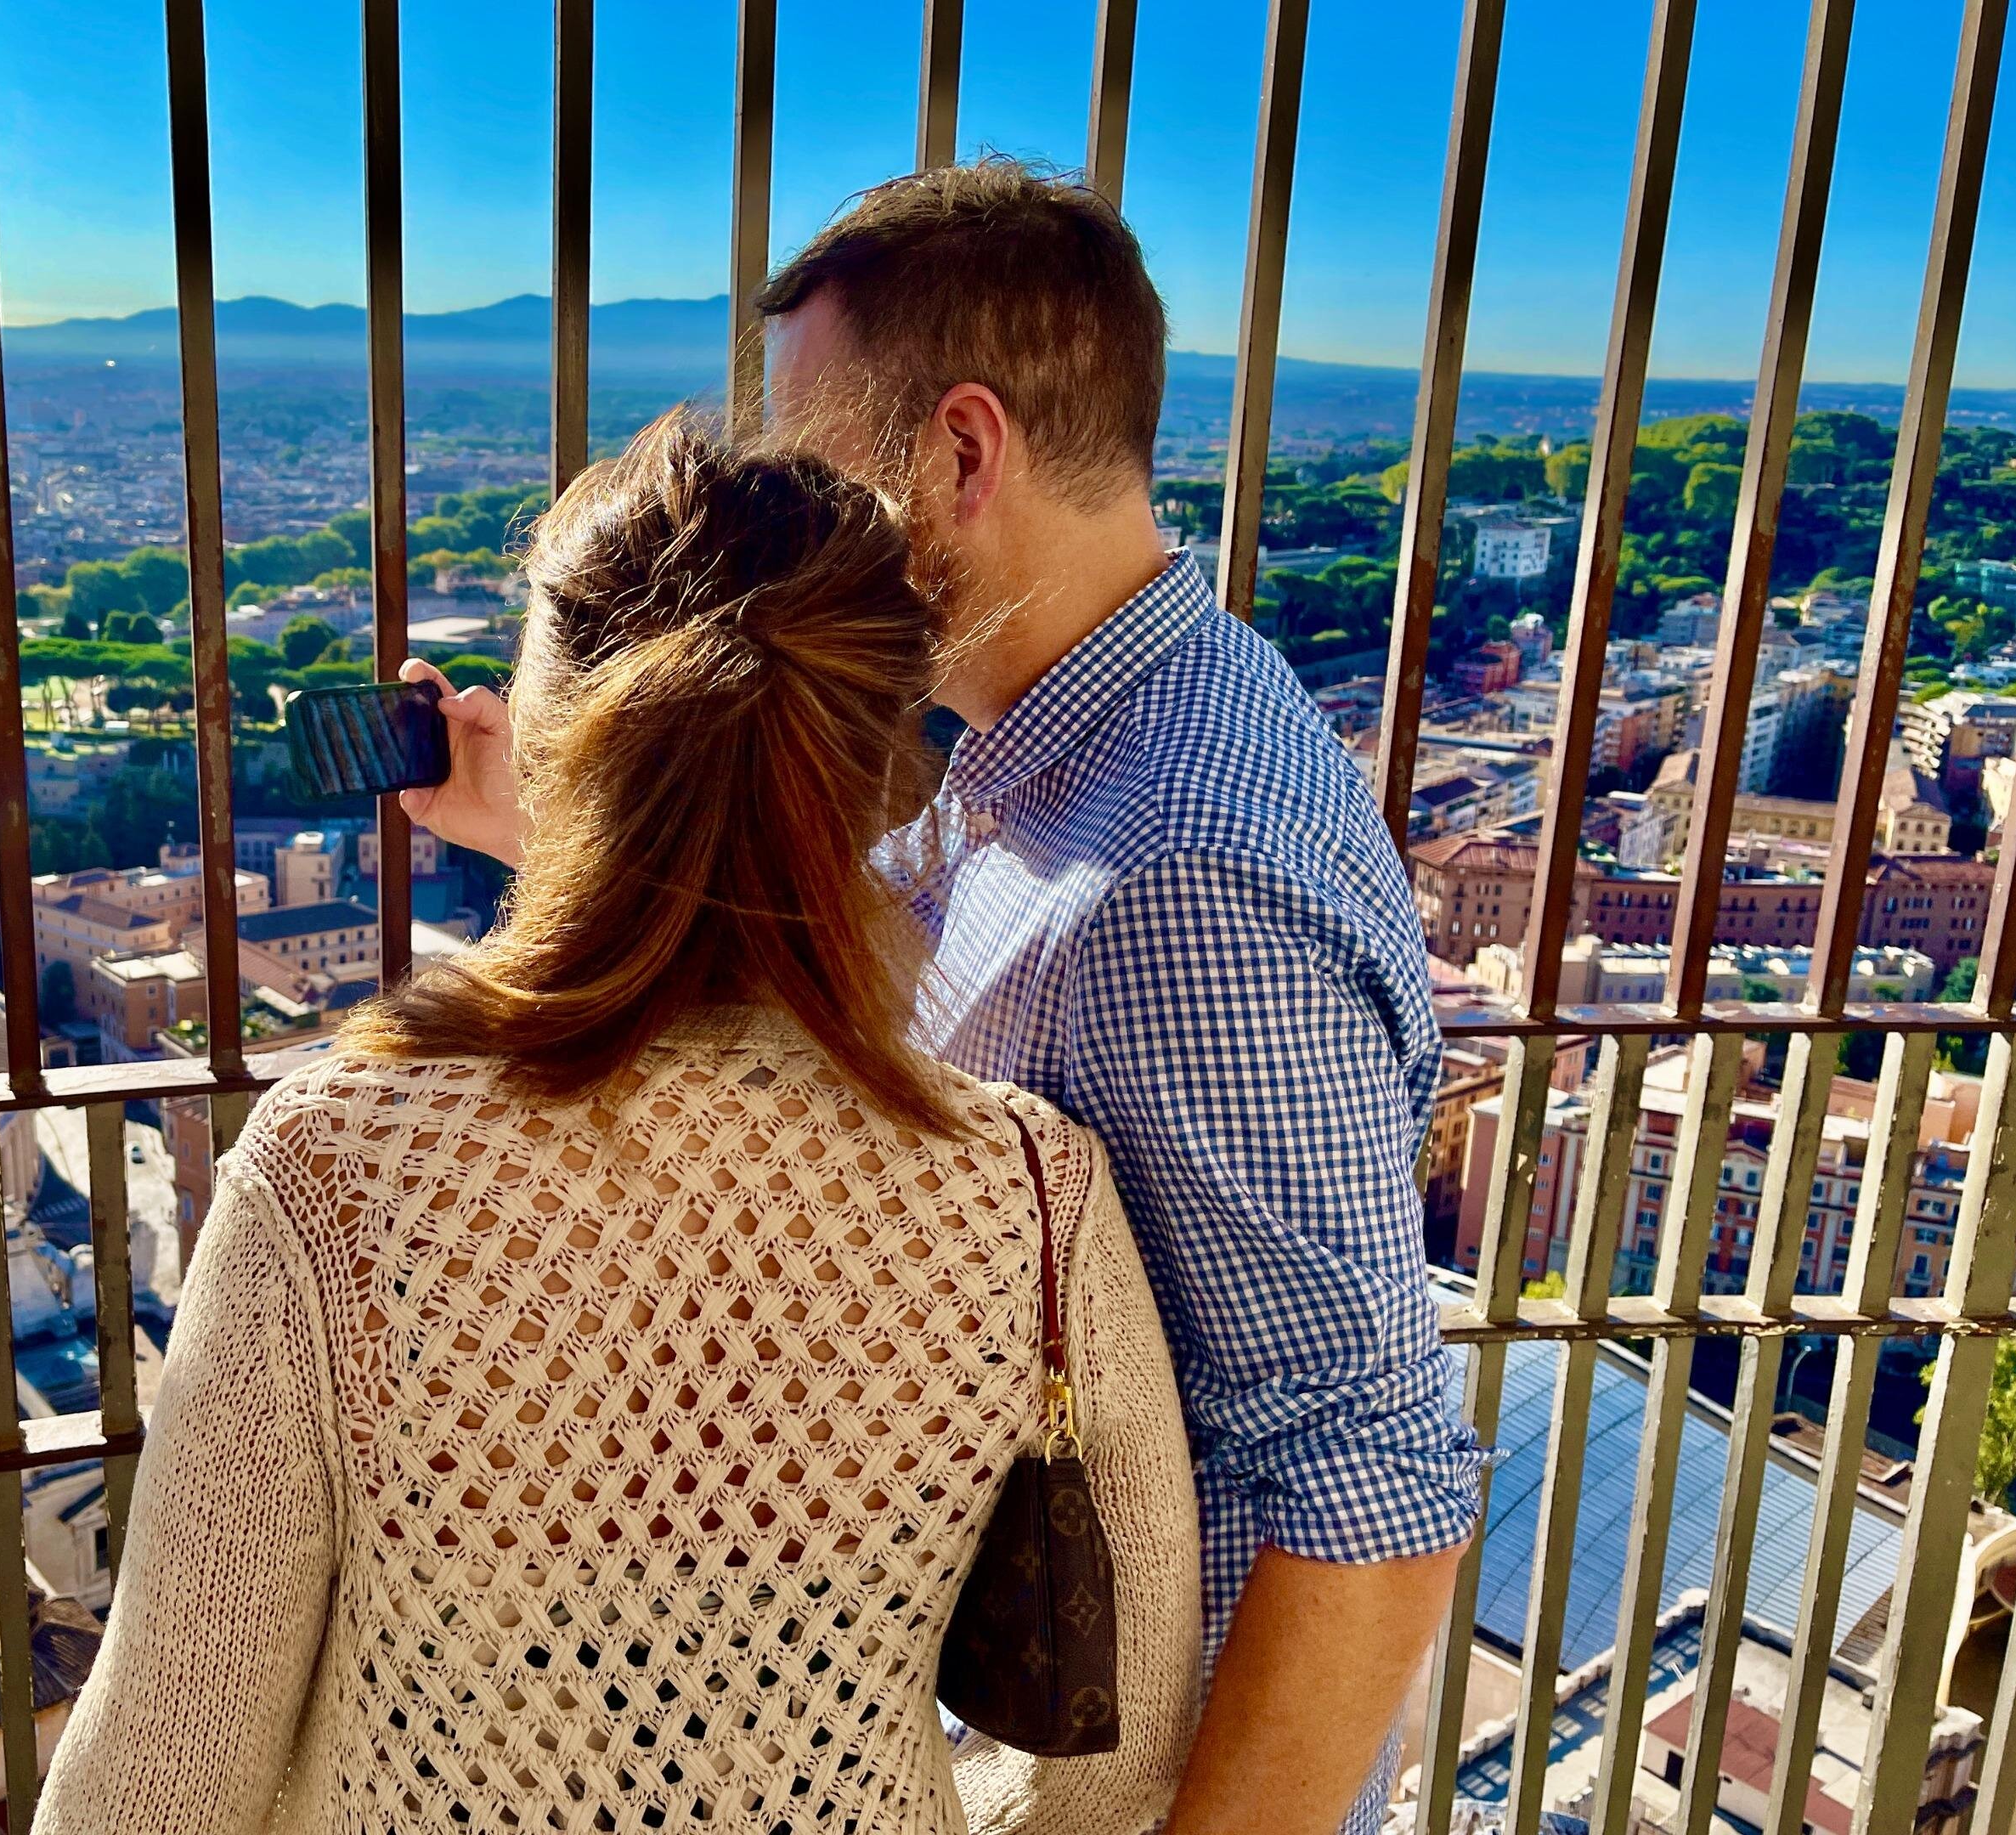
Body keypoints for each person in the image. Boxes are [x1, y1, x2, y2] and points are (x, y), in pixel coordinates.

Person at [399, 162, 1488, 1835]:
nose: (797, 525)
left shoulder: (1181, 876)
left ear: (964, 452)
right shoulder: (1074, 741)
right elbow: (843, 972)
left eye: (819, 464)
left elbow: (1371, 1483)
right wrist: (573, 819)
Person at [37, 415, 1206, 1834]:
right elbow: (1118, 1758)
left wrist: (569, 836)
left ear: (550, 737)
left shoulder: (340, 1174)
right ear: (885, 766)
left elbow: (160, 1782)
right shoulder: (1028, 1193)